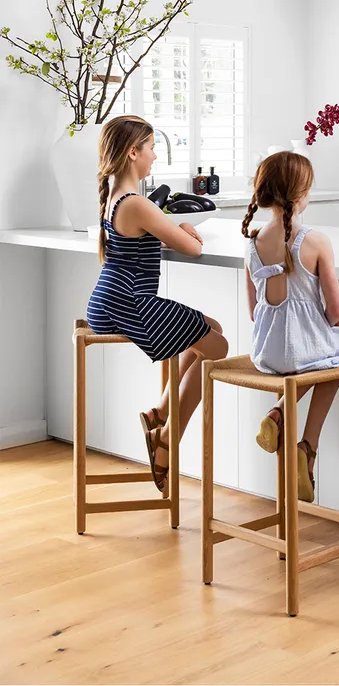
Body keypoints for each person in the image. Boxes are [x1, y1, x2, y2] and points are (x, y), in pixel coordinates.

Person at [87, 115, 229, 491]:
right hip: (129, 302)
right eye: (151, 148)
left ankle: (161, 412)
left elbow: (141, 241)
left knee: (209, 330)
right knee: (217, 347)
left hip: (112, 301)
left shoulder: (120, 198)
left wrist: (168, 231)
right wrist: (183, 230)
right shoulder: (137, 203)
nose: (154, 157)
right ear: (133, 152)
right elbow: (193, 248)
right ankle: (167, 437)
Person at [242, 151, 339, 503]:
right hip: (301, 355)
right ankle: (307, 446)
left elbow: (252, 310)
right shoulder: (316, 240)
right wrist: (329, 321)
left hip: (265, 354)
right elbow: (335, 311)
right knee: (336, 363)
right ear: (299, 195)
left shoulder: (252, 242)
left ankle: (279, 413)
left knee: (317, 362)